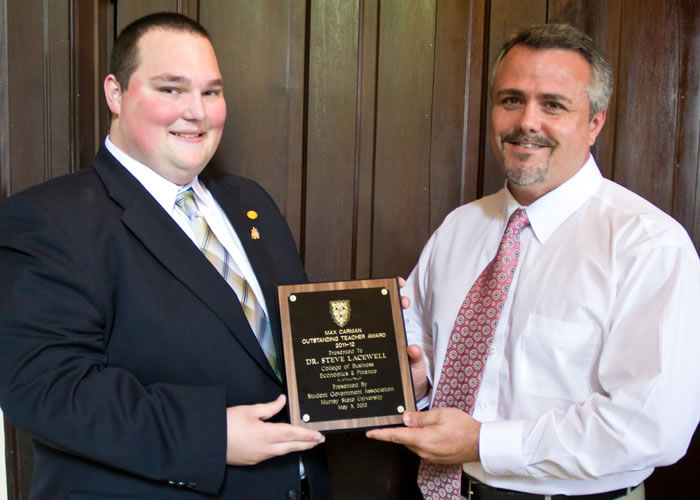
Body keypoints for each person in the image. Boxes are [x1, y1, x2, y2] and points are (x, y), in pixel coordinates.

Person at [0, 12, 332, 500]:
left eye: (211, 92)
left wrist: (384, 367)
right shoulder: (46, 219)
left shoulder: (250, 202)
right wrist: (209, 437)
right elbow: (47, 389)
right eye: (171, 89)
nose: (196, 111)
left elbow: (284, 344)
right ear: (116, 93)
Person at [367, 23, 700, 500]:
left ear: (595, 123)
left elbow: (650, 426)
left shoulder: (648, 246)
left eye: (553, 105)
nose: (527, 121)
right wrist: (417, 381)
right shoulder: (459, 229)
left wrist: (484, 443)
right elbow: (420, 348)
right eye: (511, 100)